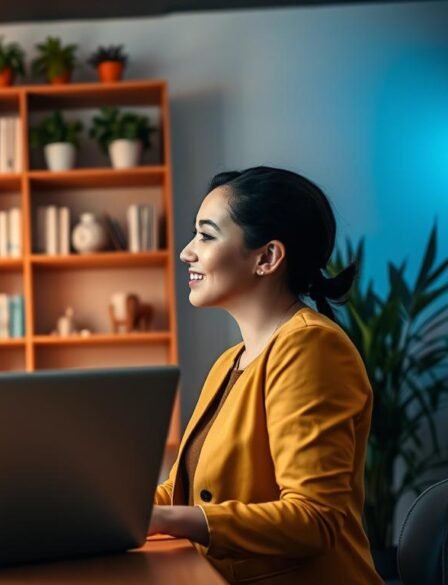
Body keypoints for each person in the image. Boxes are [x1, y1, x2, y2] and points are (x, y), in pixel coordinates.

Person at [150, 167, 381, 584]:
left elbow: (313, 518)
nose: (186, 252)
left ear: (267, 258)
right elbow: (183, 490)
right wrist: (108, 512)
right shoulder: (230, 362)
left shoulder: (311, 348)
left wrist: (173, 519)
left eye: (206, 236)